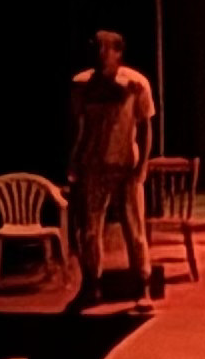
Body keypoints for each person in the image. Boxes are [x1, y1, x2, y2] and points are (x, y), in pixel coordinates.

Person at [65, 27, 158, 311]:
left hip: (125, 166)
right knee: (90, 230)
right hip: (93, 166)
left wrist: (141, 166)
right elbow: (77, 129)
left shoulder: (135, 85)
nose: (100, 54)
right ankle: (92, 284)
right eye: (97, 48)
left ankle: (143, 286)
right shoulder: (81, 85)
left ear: (118, 53)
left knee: (135, 229)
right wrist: (73, 163)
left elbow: (145, 127)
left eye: (106, 49)